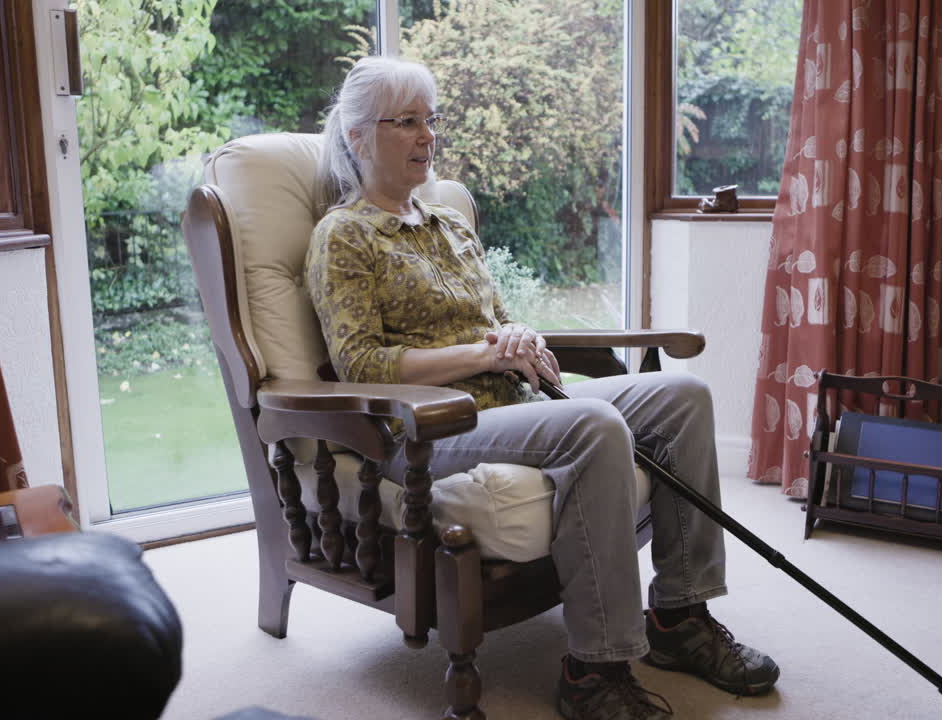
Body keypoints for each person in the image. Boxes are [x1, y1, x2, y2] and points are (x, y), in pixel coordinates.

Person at [305, 56, 779, 720]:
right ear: (358, 137)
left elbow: (494, 321)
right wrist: (484, 352)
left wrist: (520, 337)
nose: (427, 136)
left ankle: (679, 616)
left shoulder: (448, 224)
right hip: (429, 428)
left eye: (430, 120)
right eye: (406, 121)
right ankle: (595, 668)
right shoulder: (343, 236)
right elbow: (360, 364)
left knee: (682, 398)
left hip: (512, 406)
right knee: (594, 426)